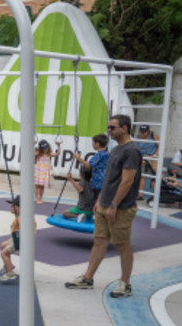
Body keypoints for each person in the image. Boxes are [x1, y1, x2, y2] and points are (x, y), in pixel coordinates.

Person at [66, 114, 142, 298]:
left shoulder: (131, 151)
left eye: (112, 128)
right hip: (105, 204)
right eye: (108, 127)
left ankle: (125, 283)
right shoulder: (115, 150)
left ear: (124, 128)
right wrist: (100, 200)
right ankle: (88, 278)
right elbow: (109, 179)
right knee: (99, 241)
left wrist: (114, 204)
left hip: (121, 207)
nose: (108, 131)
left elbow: (127, 181)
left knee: (123, 245)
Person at [0, 196, 37, 283]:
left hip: (21, 240)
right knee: (3, 245)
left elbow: (17, 232)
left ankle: (10, 273)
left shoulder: (21, 219)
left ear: (18, 208)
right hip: (20, 238)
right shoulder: (24, 216)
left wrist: (14, 227)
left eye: (13, 206)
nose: (11, 208)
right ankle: (9, 265)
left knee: (3, 253)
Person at [76, 134, 109, 200]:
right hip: (105, 180)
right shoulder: (107, 153)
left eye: (93, 143)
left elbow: (88, 165)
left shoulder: (99, 155)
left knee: (96, 201)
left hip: (98, 182)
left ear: (97, 144)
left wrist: (78, 158)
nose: (92, 144)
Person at [34, 139, 61, 204]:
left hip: (44, 173)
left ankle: (40, 198)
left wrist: (58, 146)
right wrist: (33, 144)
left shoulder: (49, 154)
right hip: (38, 172)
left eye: (46, 148)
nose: (45, 150)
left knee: (42, 186)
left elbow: (57, 154)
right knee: (37, 186)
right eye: (44, 149)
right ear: (41, 149)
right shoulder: (38, 154)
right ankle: (37, 198)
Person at [136, 125, 159, 197]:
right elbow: (135, 148)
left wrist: (155, 155)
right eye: (141, 132)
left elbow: (160, 146)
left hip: (152, 158)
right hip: (142, 158)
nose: (142, 134)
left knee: (153, 176)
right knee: (142, 176)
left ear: (148, 132)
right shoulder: (137, 137)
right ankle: (140, 195)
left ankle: (155, 195)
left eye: (144, 132)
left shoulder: (154, 136)